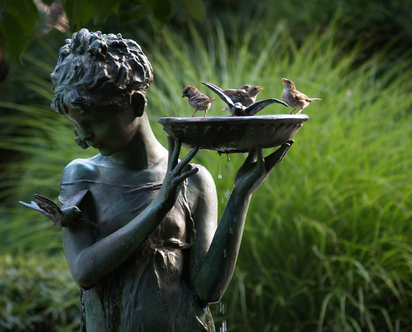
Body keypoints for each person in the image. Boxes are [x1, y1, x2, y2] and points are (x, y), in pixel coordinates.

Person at [24, 29, 294, 332]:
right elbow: (84, 271)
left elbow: (208, 291)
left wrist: (240, 196)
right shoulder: (83, 176)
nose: (82, 137)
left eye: (93, 123)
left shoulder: (194, 180)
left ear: (136, 106)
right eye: (75, 125)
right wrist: (159, 206)